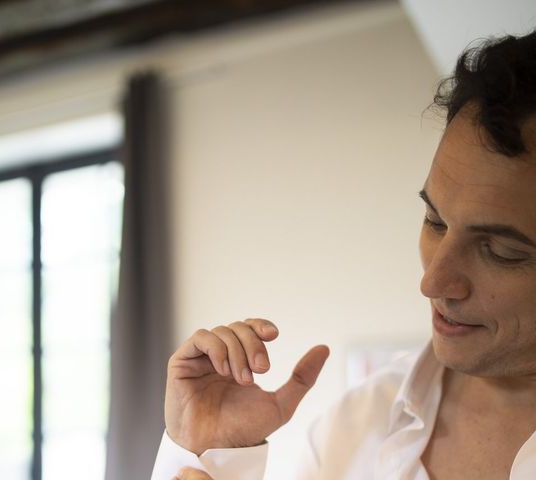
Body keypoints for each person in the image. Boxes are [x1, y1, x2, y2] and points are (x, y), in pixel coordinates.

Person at [151, 29, 536, 480]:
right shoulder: (357, 425)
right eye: (434, 221)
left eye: (501, 250)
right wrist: (210, 454)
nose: (431, 282)